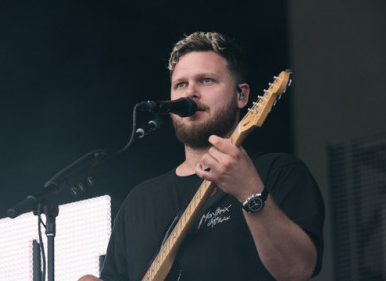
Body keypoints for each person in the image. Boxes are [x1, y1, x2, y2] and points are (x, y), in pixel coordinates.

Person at [79, 31, 324, 281]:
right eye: (180, 84)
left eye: (206, 80)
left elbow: (298, 269)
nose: (190, 93)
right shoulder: (138, 202)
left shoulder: (279, 171)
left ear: (242, 95)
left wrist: (250, 191)